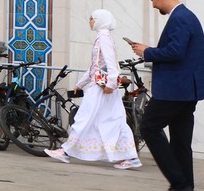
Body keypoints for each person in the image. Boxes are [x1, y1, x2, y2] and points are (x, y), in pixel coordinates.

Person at [129, 0, 204, 191]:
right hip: (185, 90)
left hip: (176, 89)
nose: (153, 6)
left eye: (153, 0)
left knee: (149, 127)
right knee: (180, 143)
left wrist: (147, 51)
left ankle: (179, 186)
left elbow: (176, 52)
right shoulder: (185, 16)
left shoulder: (180, 17)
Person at [48, 10, 141, 170]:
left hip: (101, 89)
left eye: (92, 19)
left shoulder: (103, 38)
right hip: (102, 87)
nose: (90, 21)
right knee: (112, 121)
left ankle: (65, 151)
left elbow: (111, 64)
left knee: (84, 118)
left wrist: (110, 84)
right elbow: (96, 66)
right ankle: (131, 157)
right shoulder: (103, 38)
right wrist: (81, 83)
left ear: (100, 20)